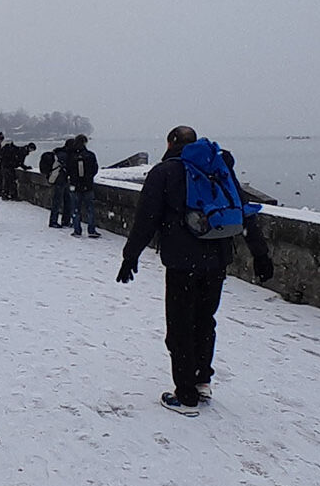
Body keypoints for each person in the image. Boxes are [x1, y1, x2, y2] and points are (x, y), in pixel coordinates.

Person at [116, 125, 275, 416]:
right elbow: (241, 209)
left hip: (181, 263)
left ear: (171, 142)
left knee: (180, 325)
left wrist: (130, 256)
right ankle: (202, 380)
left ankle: (185, 394)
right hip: (217, 261)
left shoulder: (164, 173)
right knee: (205, 320)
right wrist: (260, 254)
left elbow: (145, 219)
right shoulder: (217, 167)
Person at [66, 134, 100, 238]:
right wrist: (87, 179)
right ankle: (91, 230)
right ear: (85, 142)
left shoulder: (71, 156)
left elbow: (68, 169)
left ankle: (77, 230)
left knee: (75, 208)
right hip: (88, 185)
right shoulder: (90, 155)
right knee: (90, 209)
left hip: (75, 185)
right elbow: (95, 169)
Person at [48, 138, 74, 228]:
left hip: (60, 179)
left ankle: (59, 221)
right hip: (61, 179)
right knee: (61, 201)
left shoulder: (60, 152)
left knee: (63, 200)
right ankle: (57, 221)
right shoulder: (65, 155)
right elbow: (69, 167)